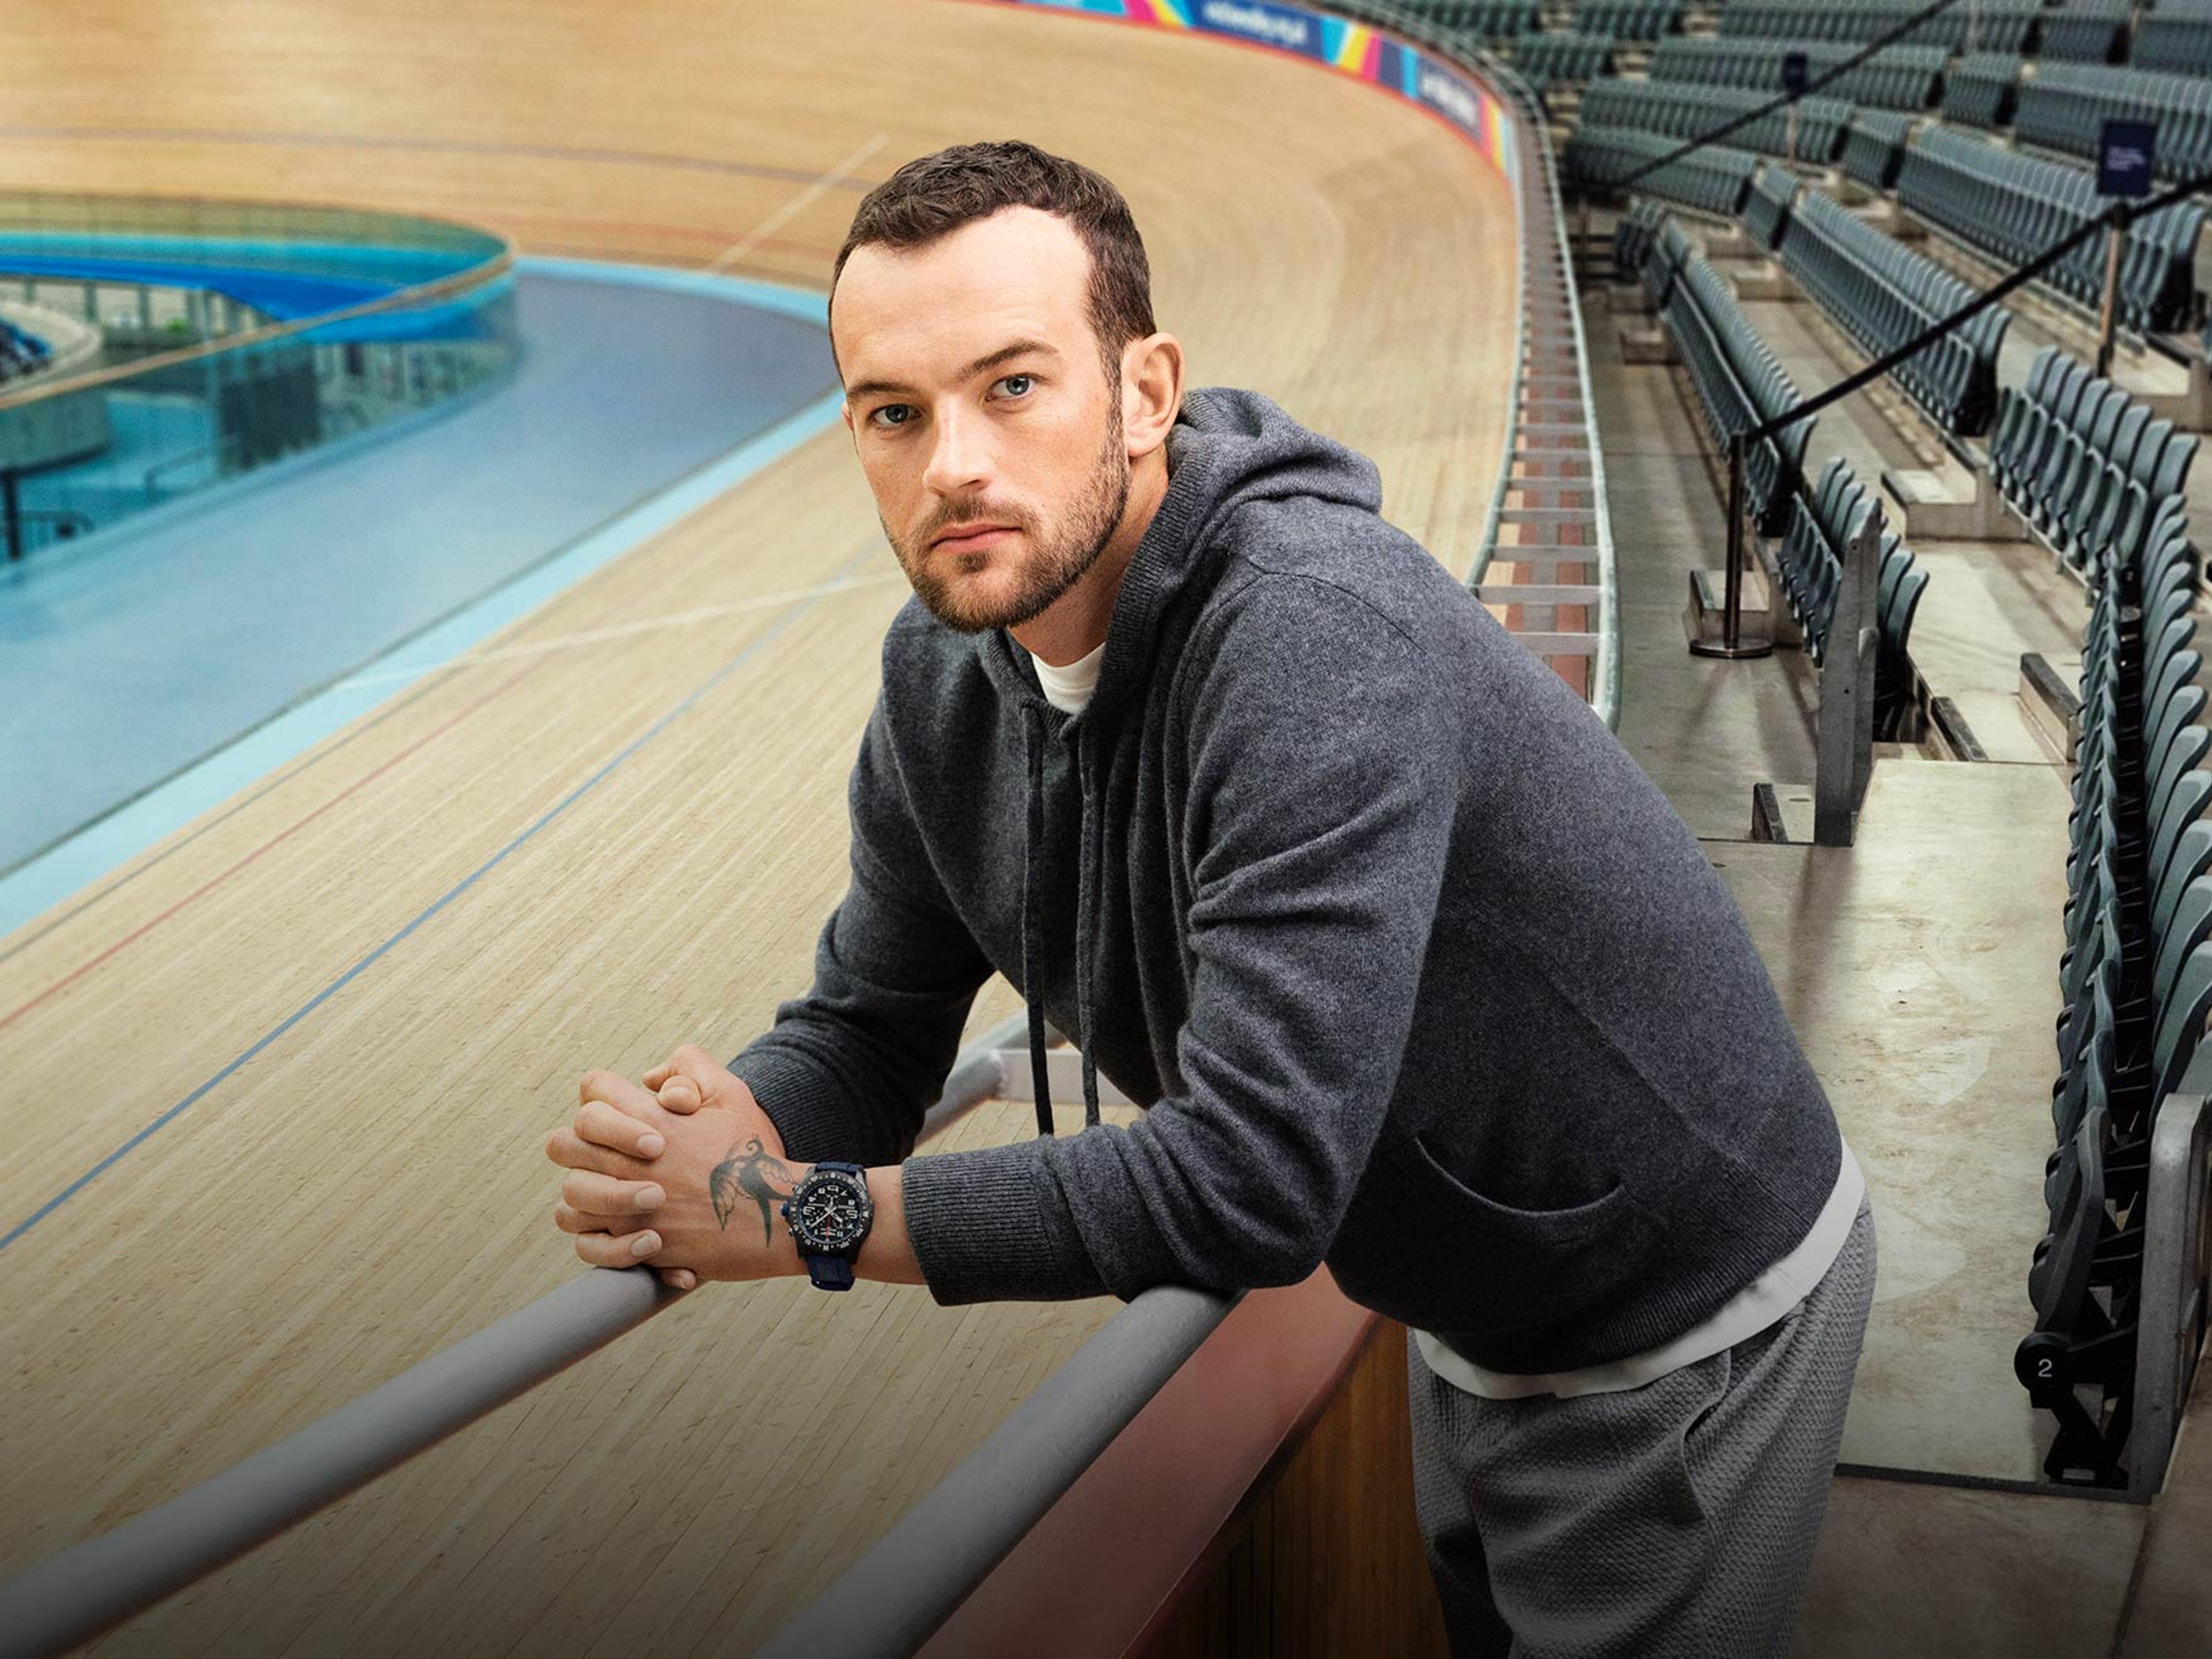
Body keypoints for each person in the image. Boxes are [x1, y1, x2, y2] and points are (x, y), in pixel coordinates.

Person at [543, 139, 1875, 1657]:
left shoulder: (1311, 634)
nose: (952, 463)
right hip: (1484, 1297)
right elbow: (868, 1022)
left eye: (1013, 386)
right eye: (893, 414)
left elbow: (1249, 1179)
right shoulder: (940, 683)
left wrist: (804, 1217)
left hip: (1682, 1308)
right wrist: (728, 1140)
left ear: (1148, 389)